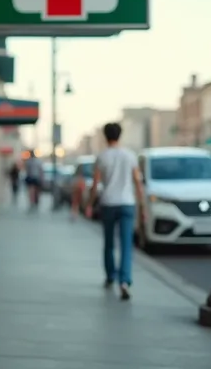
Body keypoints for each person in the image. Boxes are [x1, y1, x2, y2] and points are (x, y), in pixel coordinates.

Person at [86, 123, 145, 301]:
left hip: (108, 203)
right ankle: (124, 281)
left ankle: (111, 275)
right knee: (126, 244)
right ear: (120, 135)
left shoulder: (102, 157)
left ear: (105, 136)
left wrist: (89, 204)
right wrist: (142, 207)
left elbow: (96, 184)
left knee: (109, 243)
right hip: (127, 203)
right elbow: (137, 182)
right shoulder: (130, 155)